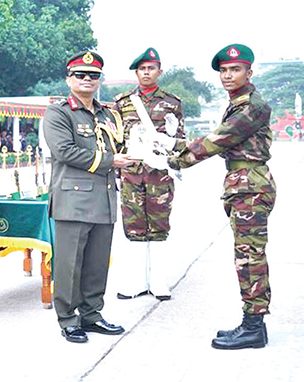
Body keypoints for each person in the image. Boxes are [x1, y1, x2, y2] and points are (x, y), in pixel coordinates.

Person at [151, 44, 276, 350]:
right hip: (242, 183)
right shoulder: (238, 102)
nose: (228, 76)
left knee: (250, 257)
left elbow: (219, 139)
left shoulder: (252, 106)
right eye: (223, 70)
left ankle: (254, 327)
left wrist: (177, 159)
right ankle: (251, 323)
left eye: (235, 69)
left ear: (249, 72)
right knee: (245, 255)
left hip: (250, 185)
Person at [44, 51, 131, 343]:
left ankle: (92, 315)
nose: (87, 80)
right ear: (69, 79)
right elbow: (65, 151)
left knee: (96, 264)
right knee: (69, 265)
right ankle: (68, 318)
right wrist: (112, 161)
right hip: (74, 200)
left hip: (105, 198)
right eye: (80, 75)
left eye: (93, 76)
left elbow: (122, 144)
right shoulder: (59, 112)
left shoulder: (108, 114)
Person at [114, 47, 185, 301]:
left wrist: (169, 145)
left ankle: (158, 282)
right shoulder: (122, 102)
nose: (146, 72)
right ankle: (135, 281)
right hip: (132, 173)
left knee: (159, 225)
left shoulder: (172, 103)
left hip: (159, 173)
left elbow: (181, 141)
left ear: (159, 71)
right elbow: (116, 139)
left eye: (151, 68)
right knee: (133, 226)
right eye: (142, 68)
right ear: (136, 72)